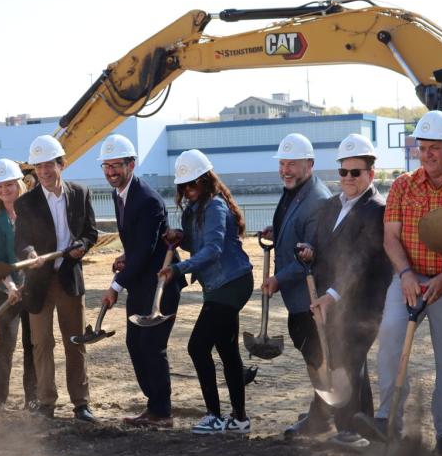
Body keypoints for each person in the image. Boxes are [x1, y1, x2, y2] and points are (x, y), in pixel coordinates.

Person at [367, 113, 442, 456]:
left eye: (435, 147)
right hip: (408, 278)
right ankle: (388, 423)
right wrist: (405, 275)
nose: (427, 154)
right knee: (390, 339)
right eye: (422, 147)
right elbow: (390, 238)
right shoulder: (403, 185)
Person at [292, 134, 391, 448]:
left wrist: (333, 295)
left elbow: (361, 261)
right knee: (343, 361)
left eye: (355, 172)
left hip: (362, 305)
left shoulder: (377, 210)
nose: (348, 178)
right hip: (329, 299)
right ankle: (363, 429)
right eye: (343, 171)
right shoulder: (331, 205)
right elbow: (322, 245)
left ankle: (348, 430)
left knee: (347, 362)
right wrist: (310, 251)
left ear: (371, 174)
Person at [159, 149, 254, 435]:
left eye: (193, 184)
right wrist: (180, 236)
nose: (188, 190)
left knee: (197, 347)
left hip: (231, 283)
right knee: (227, 350)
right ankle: (239, 419)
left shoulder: (215, 206)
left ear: (206, 180)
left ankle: (213, 416)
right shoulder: (195, 208)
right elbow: (198, 244)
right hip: (218, 285)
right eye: (183, 186)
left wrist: (178, 269)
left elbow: (212, 250)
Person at [96, 135, 183, 429]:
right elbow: (138, 245)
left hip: (161, 283)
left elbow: (146, 251)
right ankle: (153, 405)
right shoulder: (119, 194)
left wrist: (115, 286)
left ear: (131, 165)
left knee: (152, 346)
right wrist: (126, 256)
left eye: (116, 166)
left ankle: (163, 412)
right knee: (135, 344)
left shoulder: (147, 200)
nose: (111, 172)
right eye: (106, 166)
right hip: (140, 281)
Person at [14, 134, 99, 422]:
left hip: (68, 279)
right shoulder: (26, 203)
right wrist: (31, 253)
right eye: (38, 167)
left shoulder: (80, 193)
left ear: (61, 164)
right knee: (41, 344)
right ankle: (46, 402)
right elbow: (20, 242)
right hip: (38, 283)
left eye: (49, 165)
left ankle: (81, 403)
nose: (44, 171)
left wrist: (82, 246)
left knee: (75, 342)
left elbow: (90, 232)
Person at [260, 133, 331, 422]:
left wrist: (278, 279)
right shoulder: (296, 191)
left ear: (309, 164)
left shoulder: (318, 200)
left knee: (319, 358)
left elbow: (312, 254)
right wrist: (277, 233)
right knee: (312, 357)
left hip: (311, 299)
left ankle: (324, 415)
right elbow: (296, 230)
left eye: (292, 164)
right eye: (282, 163)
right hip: (298, 300)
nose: (285, 170)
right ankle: (321, 410)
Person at [0, 157, 37, 408]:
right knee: (6, 341)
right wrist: (11, 287)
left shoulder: (32, 211)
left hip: (33, 285)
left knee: (32, 342)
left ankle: (33, 398)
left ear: (20, 184)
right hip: (5, 287)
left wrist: (28, 282)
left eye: (9, 184)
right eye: (0, 186)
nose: (5, 190)